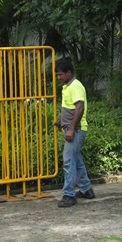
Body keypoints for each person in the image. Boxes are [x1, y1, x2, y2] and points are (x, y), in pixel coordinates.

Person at [53, 59, 95, 208]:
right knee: (76, 160)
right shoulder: (68, 86)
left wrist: (70, 128)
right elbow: (70, 108)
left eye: (60, 75)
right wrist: (62, 120)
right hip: (73, 129)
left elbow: (79, 108)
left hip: (76, 130)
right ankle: (86, 189)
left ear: (69, 73)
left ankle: (69, 195)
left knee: (69, 162)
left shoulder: (76, 86)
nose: (59, 78)